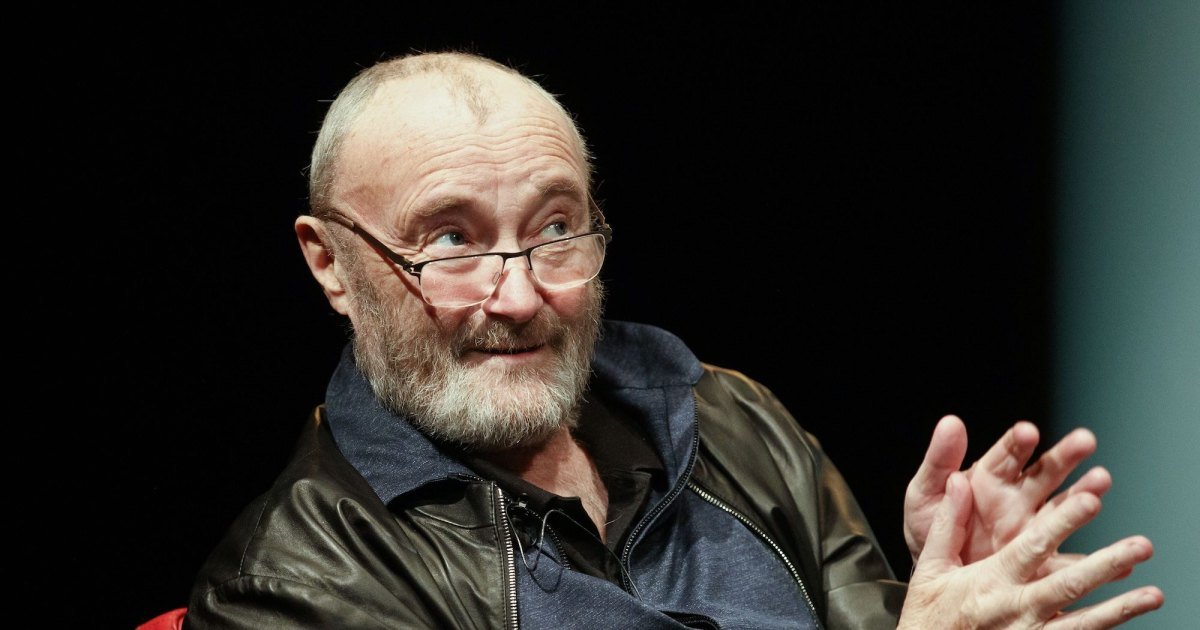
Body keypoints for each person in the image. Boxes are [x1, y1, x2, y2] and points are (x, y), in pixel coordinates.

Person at [182, 51, 1163, 629]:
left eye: (556, 227)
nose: (519, 295)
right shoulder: (294, 582)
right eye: (451, 242)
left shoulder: (725, 418)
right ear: (330, 264)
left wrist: (953, 588)